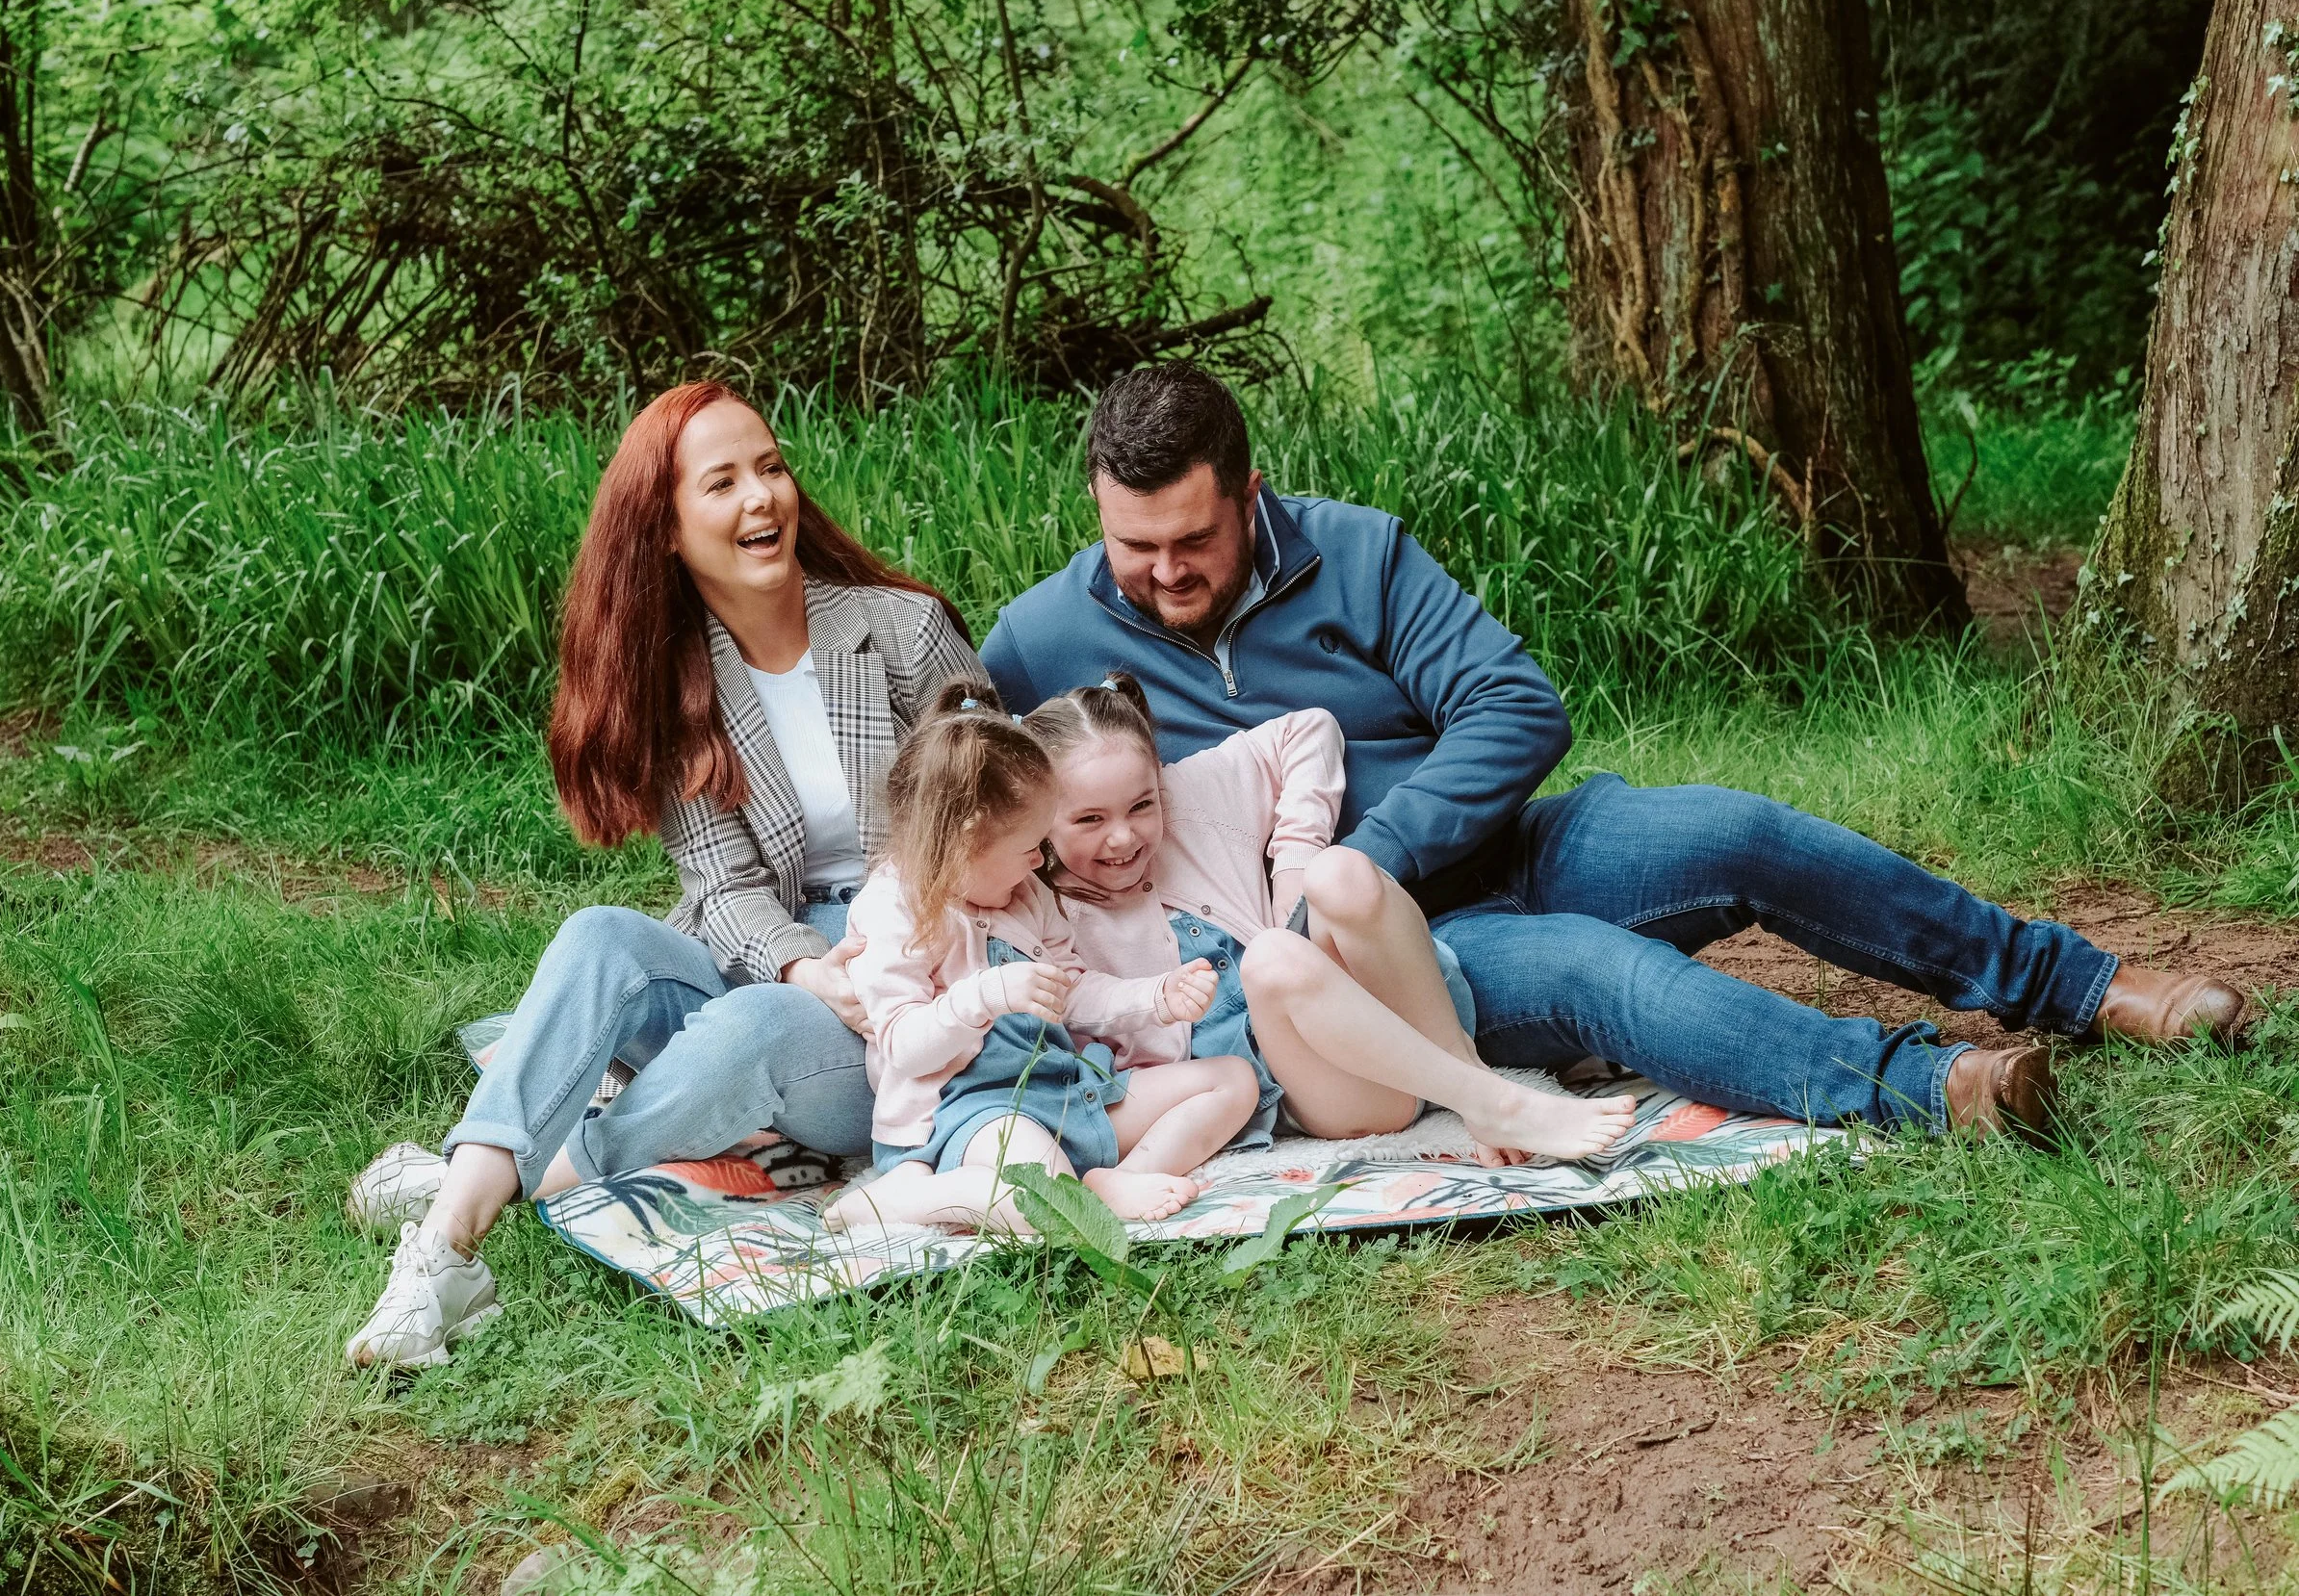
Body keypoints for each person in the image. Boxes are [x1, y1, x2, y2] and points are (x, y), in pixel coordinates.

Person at [980, 363, 2253, 1145]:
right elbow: (965, 813)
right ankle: (1932, 1088)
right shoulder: (1041, 639)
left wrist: (1363, 851)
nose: (1161, 574)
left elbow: (1515, 707)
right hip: (1401, 962)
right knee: (1603, 970)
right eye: (1131, 547)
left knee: (1735, 826)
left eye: (1190, 538)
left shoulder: (1353, 551)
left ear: (1249, 495)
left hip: (1510, 846)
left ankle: (2079, 985)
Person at [344, 381, 983, 1368]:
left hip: (915, 982)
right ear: (668, 530)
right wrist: (811, 967)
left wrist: (886, 950)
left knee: (749, 1025)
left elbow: (992, 810)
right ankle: (449, 1255)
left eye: (770, 467)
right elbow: (724, 890)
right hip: (781, 958)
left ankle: (490, 1179)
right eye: (721, 482)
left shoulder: (899, 630)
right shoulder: (682, 682)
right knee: (601, 935)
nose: (761, 498)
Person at [1028, 672, 1639, 1165]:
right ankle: (1491, 1099)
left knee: (1338, 873)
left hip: (1390, 1008)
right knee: (1270, 956)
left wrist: (1292, 868)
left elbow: (1310, 728)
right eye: (1089, 820)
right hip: (1315, 1084)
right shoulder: (1036, 904)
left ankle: (1474, 1083)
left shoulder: (1191, 795)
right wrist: (1159, 996)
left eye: (1142, 804)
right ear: (1039, 820)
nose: (1124, 837)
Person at [825, 682, 1242, 1232]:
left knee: (1232, 1080)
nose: (1040, 864)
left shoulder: (1024, 894)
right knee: (1045, 1204)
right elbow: (904, 1048)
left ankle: (1118, 1178)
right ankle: (895, 1201)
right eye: (1029, 849)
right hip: (971, 1114)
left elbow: (1070, 991)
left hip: (1061, 1087)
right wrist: (987, 993)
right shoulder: (895, 909)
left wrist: (1155, 997)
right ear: (967, 843)